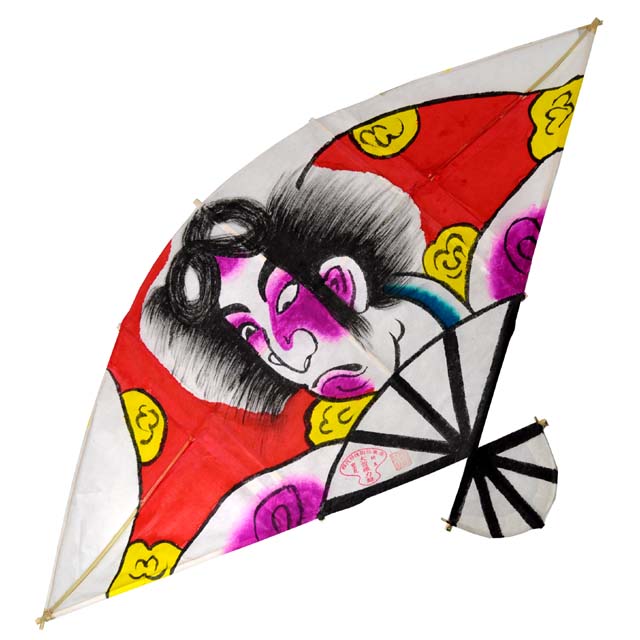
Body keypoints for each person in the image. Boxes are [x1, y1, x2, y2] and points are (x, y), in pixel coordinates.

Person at [141, 166, 468, 416]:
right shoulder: (329, 440)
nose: (285, 357)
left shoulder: (461, 328)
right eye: (250, 331)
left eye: (285, 302)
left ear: (341, 280)